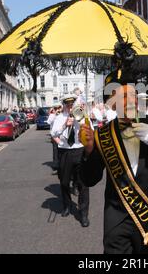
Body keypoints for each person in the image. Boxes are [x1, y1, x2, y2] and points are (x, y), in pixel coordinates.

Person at [79, 72, 148, 254]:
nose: (131, 100)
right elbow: (89, 179)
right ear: (111, 104)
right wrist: (89, 150)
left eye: (134, 94)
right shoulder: (103, 135)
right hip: (118, 219)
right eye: (123, 96)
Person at [50, 95, 90, 227]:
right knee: (64, 182)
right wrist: (64, 125)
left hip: (79, 150)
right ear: (64, 105)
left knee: (83, 184)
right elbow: (54, 133)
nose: (70, 106)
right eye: (67, 105)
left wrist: (82, 121)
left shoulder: (82, 115)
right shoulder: (59, 118)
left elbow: (91, 132)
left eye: (72, 104)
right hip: (65, 151)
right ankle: (67, 206)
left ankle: (83, 213)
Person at [47, 103, 63, 176]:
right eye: (56, 108)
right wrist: (54, 115)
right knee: (55, 151)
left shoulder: (62, 114)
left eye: (58, 108)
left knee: (63, 151)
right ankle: (56, 167)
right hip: (55, 136)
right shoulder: (52, 115)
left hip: (62, 135)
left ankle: (63, 166)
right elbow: (49, 122)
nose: (57, 110)